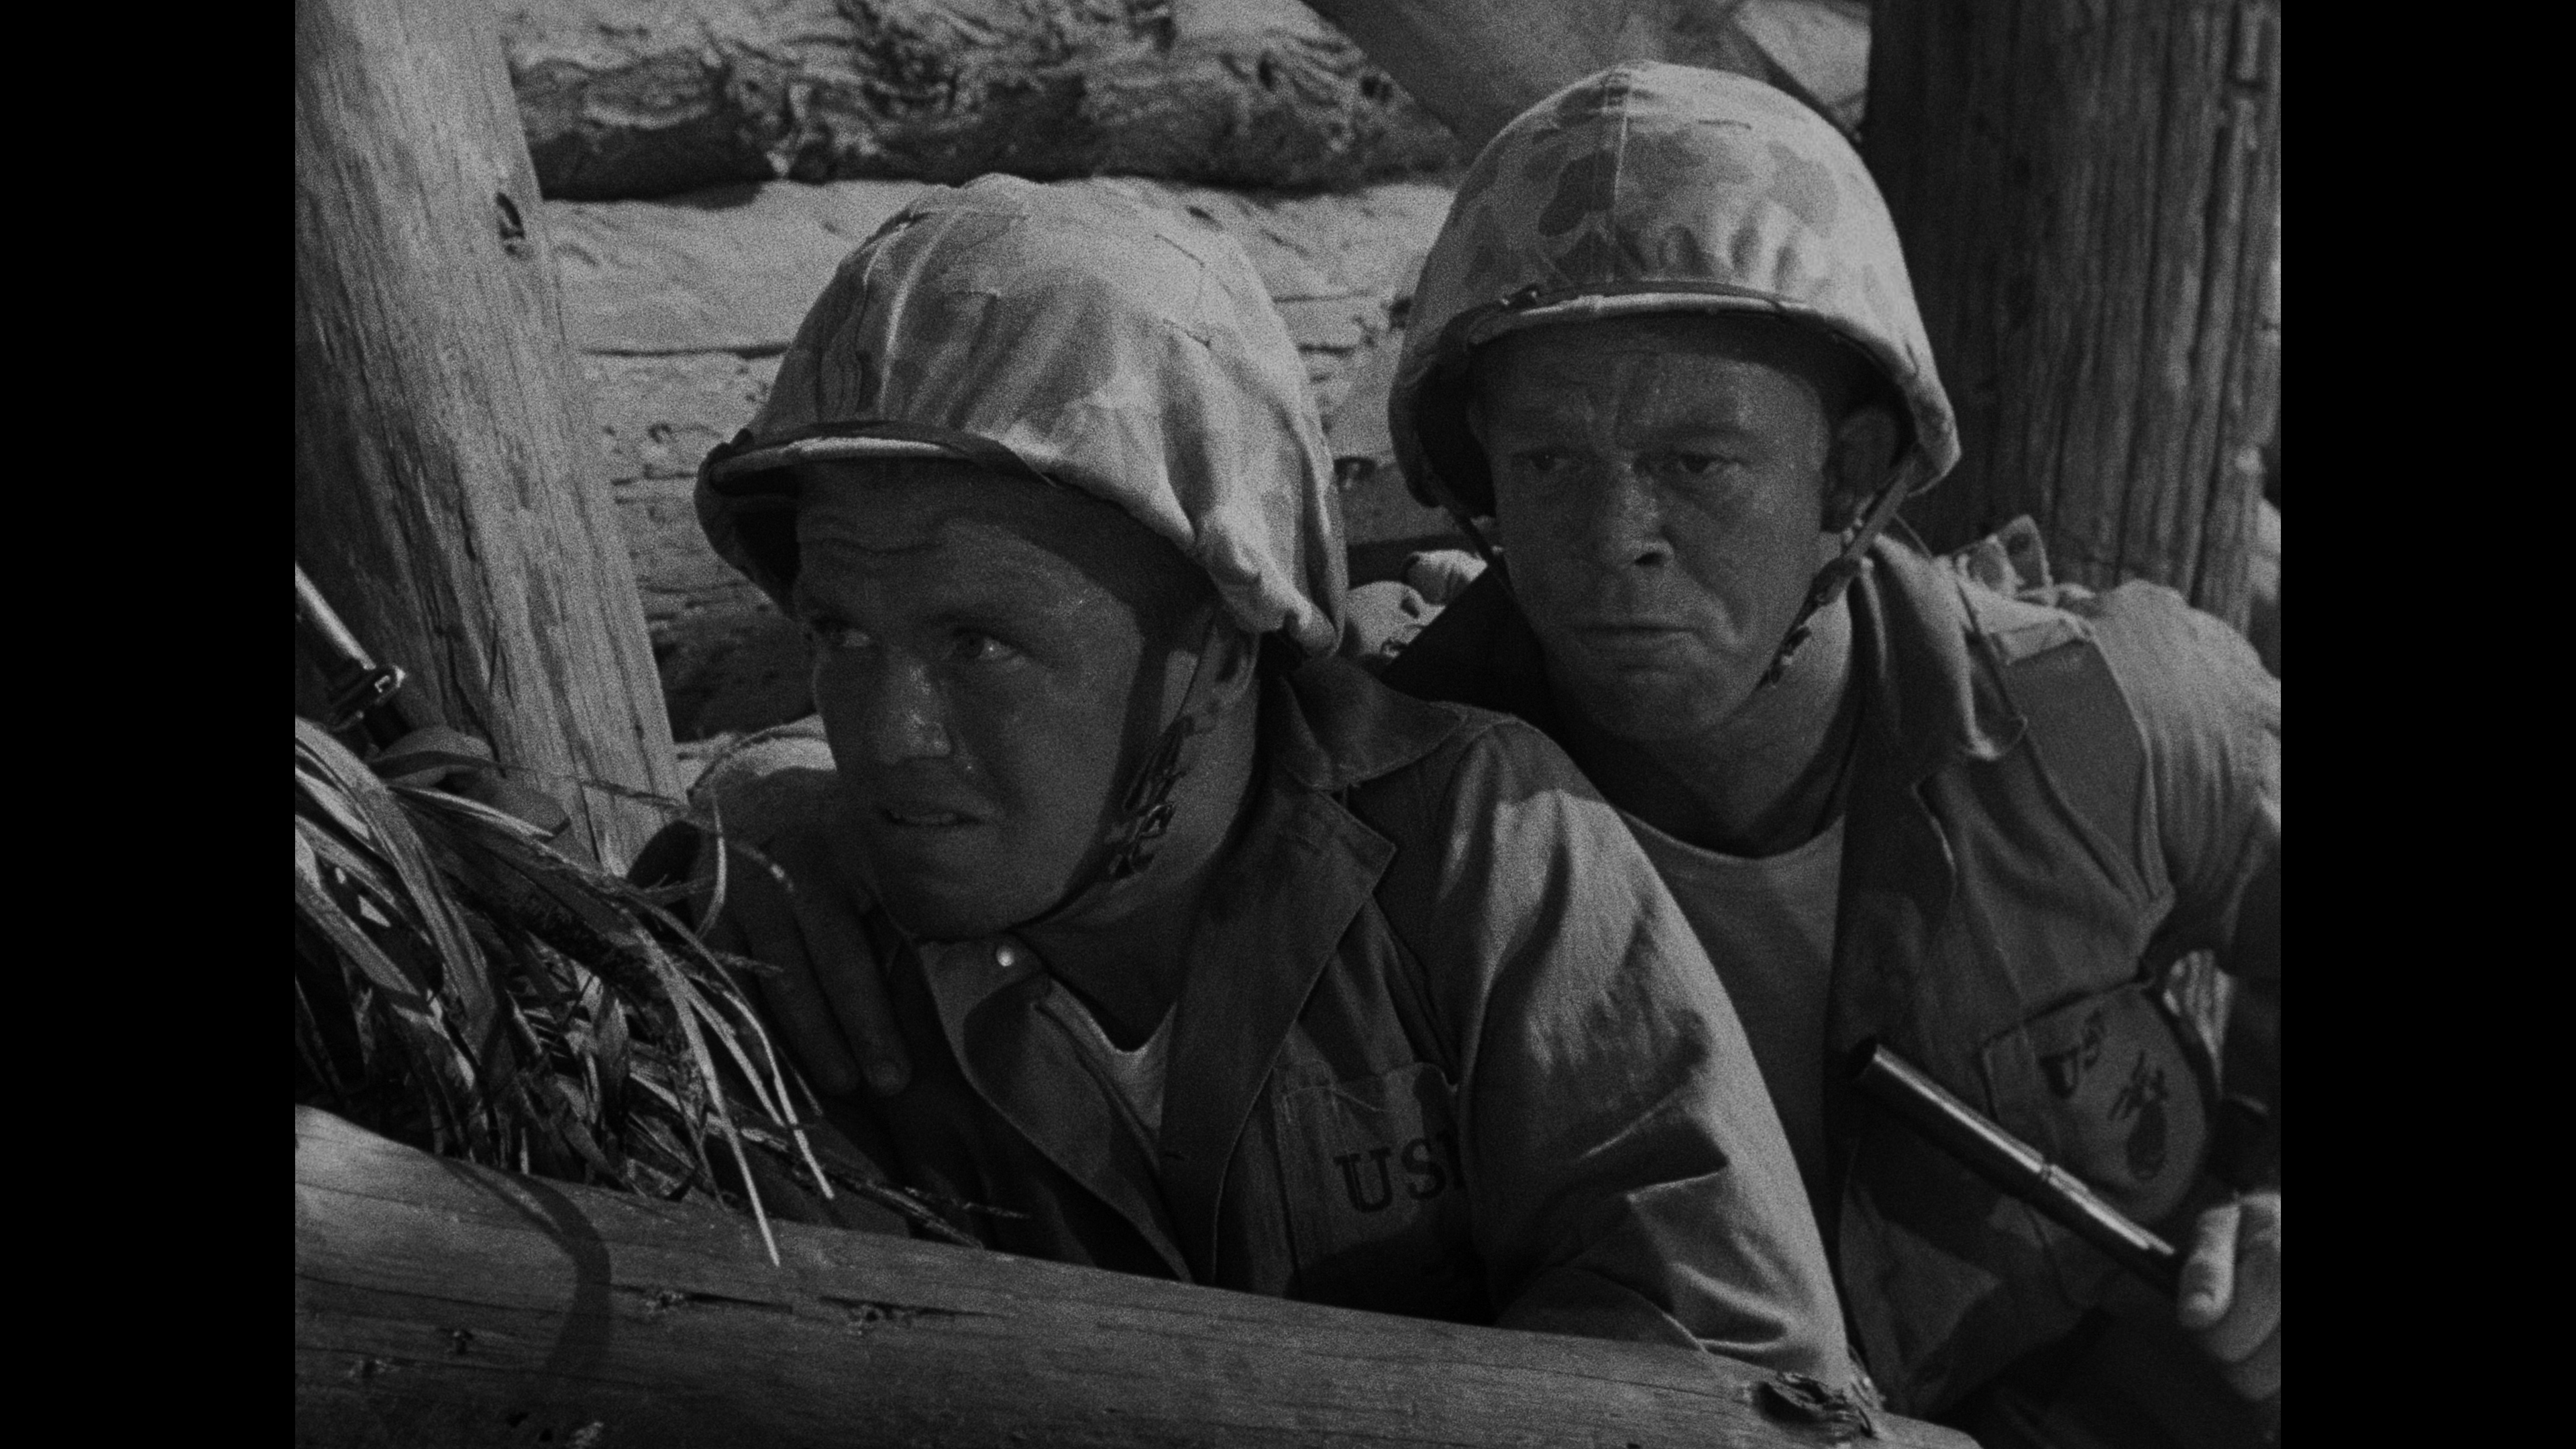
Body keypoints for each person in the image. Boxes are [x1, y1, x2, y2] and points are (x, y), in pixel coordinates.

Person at [657, 174, 1858, 1385]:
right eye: (839, 634)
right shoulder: (789, 939)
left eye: (979, 643)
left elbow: (1734, 1365)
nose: (890, 733)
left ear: (1228, 641)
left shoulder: (1473, 852)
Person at [1373, 64, 2281, 1448]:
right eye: (1549, 463)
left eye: (1699, 463)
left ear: (1849, 478)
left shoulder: (2108, 716)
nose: (1616, 538)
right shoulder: (1380, 810)